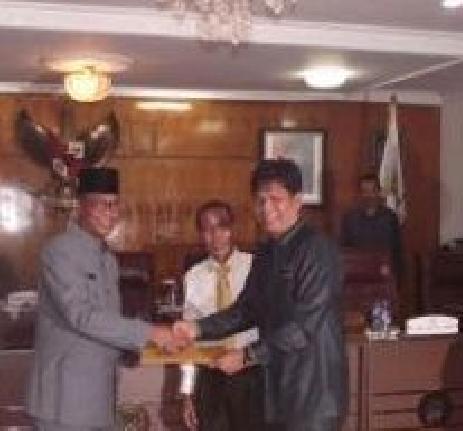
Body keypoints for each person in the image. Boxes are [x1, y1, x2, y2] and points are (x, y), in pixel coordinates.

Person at [174, 159, 346, 431]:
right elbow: (246, 310)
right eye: (260, 201)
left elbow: (303, 328)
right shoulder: (266, 252)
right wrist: (197, 328)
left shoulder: (317, 251)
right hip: (274, 392)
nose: (266, 209)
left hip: (312, 394)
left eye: (276, 199)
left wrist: (247, 356)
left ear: (297, 201)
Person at [26, 167, 183, 431]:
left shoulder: (108, 259)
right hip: (64, 403)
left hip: (99, 398)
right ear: (80, 207)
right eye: (101, 205)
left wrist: (136, 348)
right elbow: (81, 316)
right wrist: (150, 333)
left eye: (115, 205)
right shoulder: (59, 251)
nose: (111, 213)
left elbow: (107, 322)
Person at [180, 200, 264, 431]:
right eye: (207, 230)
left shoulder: (256, 267)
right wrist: (187, 394)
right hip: (211, 376)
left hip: (251, 373)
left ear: (232, 229)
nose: (215, 236)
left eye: (221, 227)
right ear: (200, 234)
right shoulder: (193, 277)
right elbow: (188, 340)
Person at [340, 174, 402, 275]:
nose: (368, 195)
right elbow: (344, 251)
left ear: (378, 192)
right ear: (360, 194)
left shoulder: (390, 218)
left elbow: (397, 252)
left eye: (372, 191)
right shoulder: (350, 219)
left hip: (384, 274)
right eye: (365, 191)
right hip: (358, 274)